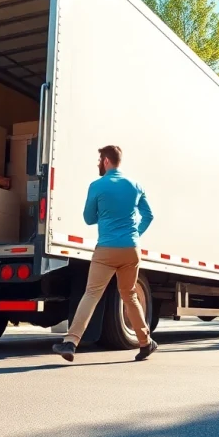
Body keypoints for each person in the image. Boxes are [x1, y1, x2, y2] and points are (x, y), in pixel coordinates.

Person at [52, 146, 157, 362]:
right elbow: (149, 215)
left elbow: (89, 218)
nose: (99, 163)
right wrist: (135, 233)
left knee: (91, 294)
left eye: (100, 159)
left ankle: (71, 342)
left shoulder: (97, 185)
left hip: (107, 249)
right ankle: (145, 343)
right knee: (129, 295)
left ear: (107, 161)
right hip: (131, 250)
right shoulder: (135, 185)